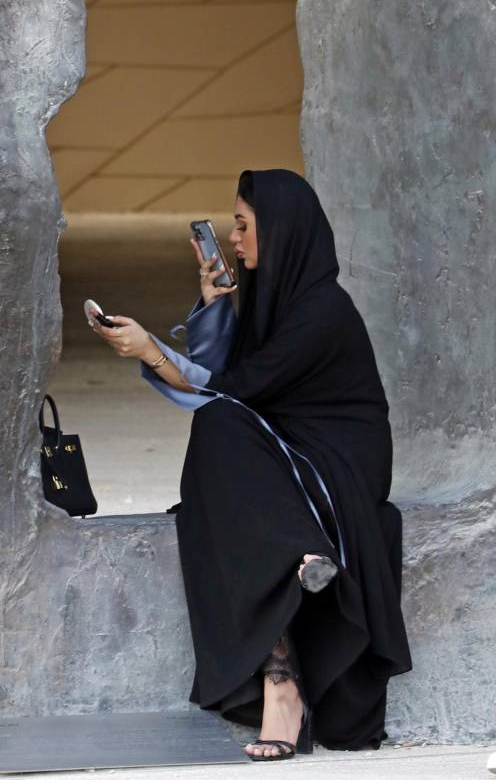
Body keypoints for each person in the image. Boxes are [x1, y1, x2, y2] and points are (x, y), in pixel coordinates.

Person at [90, 168, 412, 761]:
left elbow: (236, 390)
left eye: (243, 225)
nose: (233, 239)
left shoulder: (322, 310)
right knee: (218, 434)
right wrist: (215, 306)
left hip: (338, 467)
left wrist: (154, 352)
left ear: (281, 230)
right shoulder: (276, 302)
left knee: (221, 424)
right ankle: (289, 634)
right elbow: (232, 394)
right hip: (289, 450)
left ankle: (299, 590)